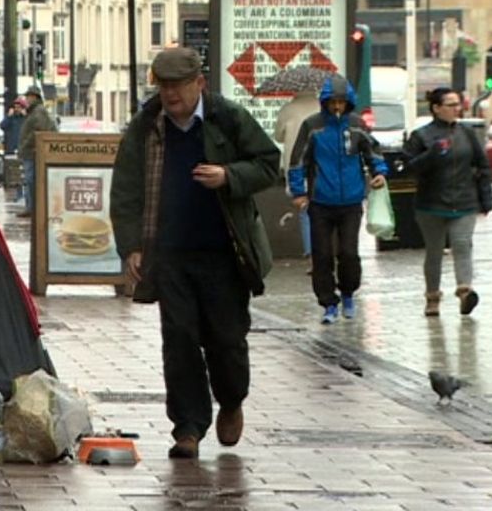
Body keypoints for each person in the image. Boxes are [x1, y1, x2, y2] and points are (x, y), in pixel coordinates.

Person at [110, 47, 279, 459]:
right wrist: (131, 245)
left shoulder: (227, 117)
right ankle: (187, 426)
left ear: (199, 83)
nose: (170, 95)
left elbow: (268, 162)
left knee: (226, 339)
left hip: (224, 251)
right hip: (170, 252)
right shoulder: (146, 125)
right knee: (179, 340)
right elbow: (126, 188)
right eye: (163, 86)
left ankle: (232, 399)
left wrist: (228, 175)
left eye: (178, 86)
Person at [288, 75, 388, 324]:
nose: (337, 107)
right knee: (321, 255)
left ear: (348, 103)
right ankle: (328, 303)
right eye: (333, 102)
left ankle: (347, 293)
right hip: (320, 201)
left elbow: (373, 152)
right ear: (325, 102)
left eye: (342, 102)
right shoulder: (312, 126)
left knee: (349, 252)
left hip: (351, 202)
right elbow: (298, 160)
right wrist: (299, 192)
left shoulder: (357, 125)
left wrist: (380, 173)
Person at [402, 87, 492, 317]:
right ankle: (432, 297)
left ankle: (465, 291)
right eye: (451, 105)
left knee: (462, 245)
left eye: (458, 104)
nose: (457, 109)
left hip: (464, 202)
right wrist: (432, 153)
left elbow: (482, 166)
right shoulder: (421, 136)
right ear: (436, 108)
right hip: (431, 204)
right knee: (434, 251)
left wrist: (486, 200)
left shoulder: (467, 134)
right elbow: (409, 168)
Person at [274, 88, 320, 260]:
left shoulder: (288, 109)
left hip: (296, 164)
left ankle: (310, 252)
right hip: (319, 163)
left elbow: (278, 136)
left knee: (304, 208)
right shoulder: (322, 106)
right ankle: (323, 250)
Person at [16, 85, 56, 217]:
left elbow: (37, 132)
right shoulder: (34, 111)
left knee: (30, 179)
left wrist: (25, 145)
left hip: (32, 152)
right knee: (29, 180)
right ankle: (30, 206)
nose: (26, 99)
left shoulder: (38, 112)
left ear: (34, 97)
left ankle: (31, 207)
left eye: (28, 96)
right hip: (31, 151)